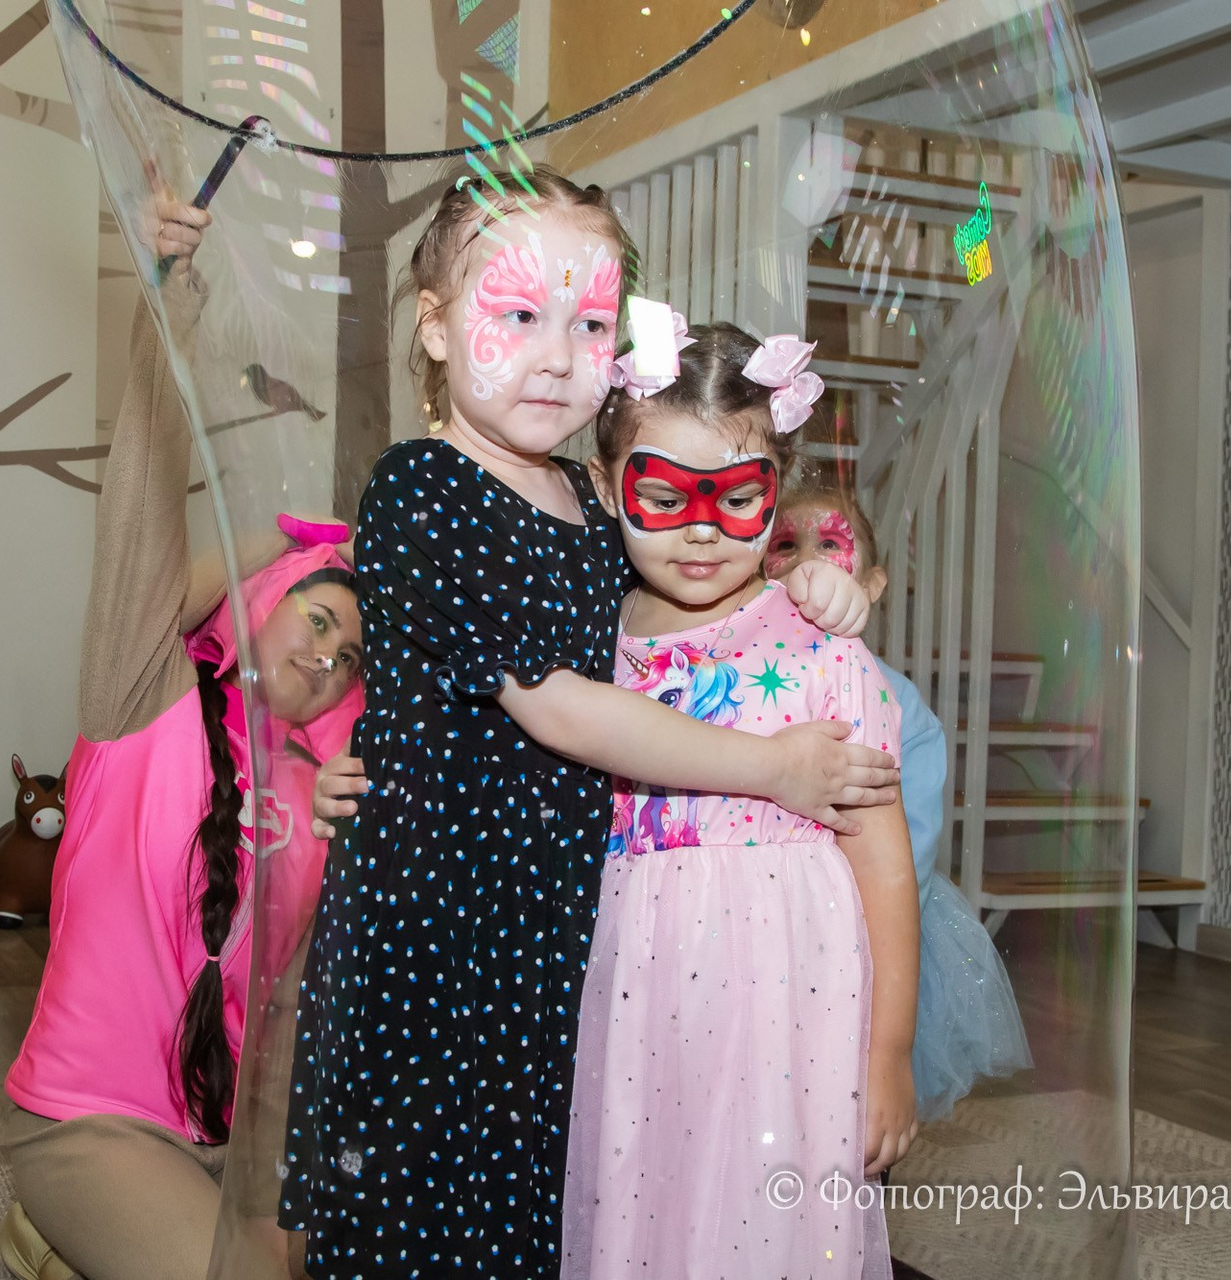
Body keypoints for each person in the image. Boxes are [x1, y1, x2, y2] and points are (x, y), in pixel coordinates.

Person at [281, 168, 900, 1280]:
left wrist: (811, 581)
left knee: (542, 1204)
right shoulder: (421, 489)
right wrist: (769, 767)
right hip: (439, 926)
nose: (559, 354)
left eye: (591, 322)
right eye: (519, 314)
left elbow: (696, 582)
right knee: (418, 1212)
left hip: (556, 924)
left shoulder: (587, 501)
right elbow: (557, 702)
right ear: (435, 326)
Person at [0, 195, 354, 1280]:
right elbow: (143, 524)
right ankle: (60, 1218)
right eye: (318, 620)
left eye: (353, 655)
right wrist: (166, 307)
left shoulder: (321, 787)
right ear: (260, 604)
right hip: (93, 1122)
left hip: (230, 1138)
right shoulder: (141, 699)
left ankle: (76, 1249)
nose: (329, 656)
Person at [558, 322, 918, 1278]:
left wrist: (890, 1052)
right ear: (606, 485)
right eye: (664, 496)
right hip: (638, 996)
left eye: (738, 497)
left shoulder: (822, 649)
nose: (703, 530)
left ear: (778, 489)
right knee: (644, 1205)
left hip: (787, 1010)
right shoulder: (583, 642)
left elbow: (884, 862)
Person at [765, 487, 1032, 1119]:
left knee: (848, 1095)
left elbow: (909, 850)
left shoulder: (900, 705)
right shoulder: (746, 682)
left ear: (873, 584)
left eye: (830, 543)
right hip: (759, 921)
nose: (807, 562)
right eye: (785, 545)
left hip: (859, 937)